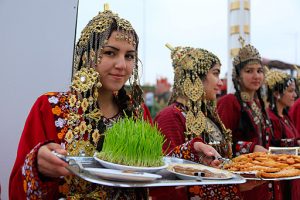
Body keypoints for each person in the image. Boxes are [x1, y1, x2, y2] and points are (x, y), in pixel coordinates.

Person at [9, 5, 151, 199]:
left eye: (129, 56)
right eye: (110, 52)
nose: (122, 65)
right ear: (87, 55)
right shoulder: (50, 107)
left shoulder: (137, 112)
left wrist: (191, 153)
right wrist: (37, 166)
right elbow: (17, 187)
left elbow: (160, 169)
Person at [151, 44, 241, 199]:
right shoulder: (170, 117)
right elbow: (166, 177)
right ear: (196, 76)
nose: (220, 83)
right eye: (215, 73)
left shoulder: (207, 116)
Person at [217, 36, 275, 200]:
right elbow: (219, 145)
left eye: (259, 70)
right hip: (243, 184)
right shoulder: (229, 102)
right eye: (249, 71)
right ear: (237, 75)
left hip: (263, 180)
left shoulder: (259, 105)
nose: (256, 75)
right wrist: (250, 148)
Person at [265, 69, 300, 200]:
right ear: (276, 93)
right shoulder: (271, 118)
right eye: (290, 91)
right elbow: (271, 150)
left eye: (295, 91)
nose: (295, 95)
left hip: (292, 175)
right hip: (282, 178)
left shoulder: (285, 116)